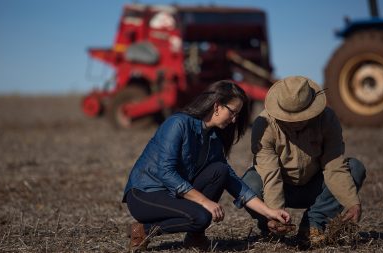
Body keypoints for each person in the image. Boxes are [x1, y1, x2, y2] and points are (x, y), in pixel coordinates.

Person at [122, 80, 291, 251]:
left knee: (220, 171)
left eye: (237, 115)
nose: (234, 120)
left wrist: (269, 212)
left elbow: (233, 183)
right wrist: (204, 202)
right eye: (232, 112)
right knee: (202, 217)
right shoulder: (178, 123)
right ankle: (143, 230)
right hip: (144, 194)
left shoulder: (214, 138)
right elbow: (166, 173)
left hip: (173, 194)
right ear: (217, 106)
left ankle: (194, 238)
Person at [241, 76, 366, 246]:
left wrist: (352, 202)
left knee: (355, 168)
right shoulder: (264, 125)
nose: (294, 122)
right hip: (281, 187)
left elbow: (334, 165)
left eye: (300, 117)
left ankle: (313, 225)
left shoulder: (327, 119)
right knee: (249, 184)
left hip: (314, 188)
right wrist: (275, 213)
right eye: (288, 117)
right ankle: (271, 229)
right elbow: (270, 174)